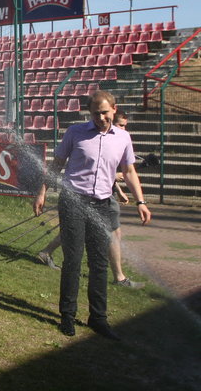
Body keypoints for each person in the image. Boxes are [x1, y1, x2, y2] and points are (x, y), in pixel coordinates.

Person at [33, 91, 151, 340]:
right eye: (96, 113)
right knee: (73, 260)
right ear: (90, 112)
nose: (101, 117)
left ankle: (98, 318)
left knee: (98, 263)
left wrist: (141, 201)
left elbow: (129, 170)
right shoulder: (75, 132)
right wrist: (42, 191)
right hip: (74, 201)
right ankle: (67, 315)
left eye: (105, 113)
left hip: (102, 204)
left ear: (114, 110)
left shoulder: (123, 138)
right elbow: (57, 164)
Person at [36, 110, 144, 289]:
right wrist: (42, 191)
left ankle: (48, 251)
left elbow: (120, 172)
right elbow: (83, 167)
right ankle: (118, 276)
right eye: (121, 125)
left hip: (104, 197)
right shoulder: (81, 135)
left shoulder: (121, 139)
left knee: (96, 233)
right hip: (83, 197)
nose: (124, 129)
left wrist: (132, 196)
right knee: (100, 234)